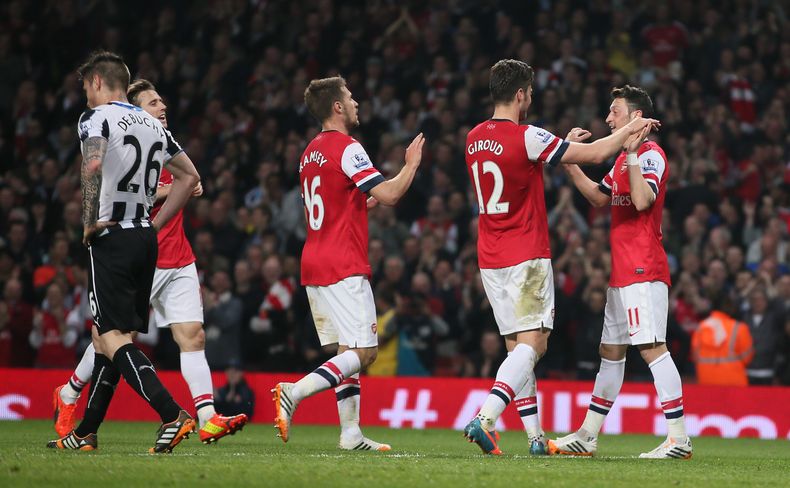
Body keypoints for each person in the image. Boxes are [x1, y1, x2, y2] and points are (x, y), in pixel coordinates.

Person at [462, 60, 658, 456]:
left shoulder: (472, 138)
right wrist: (630, 129)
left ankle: (534, 438)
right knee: (535, 342)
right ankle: (485, 417)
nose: (531, 99)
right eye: (530, 93)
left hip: (489, 256)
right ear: (520, 94)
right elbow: (596, 151)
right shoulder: (527, 136)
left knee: (516, 347)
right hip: (525, 252)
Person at [52, 79, 248, 445]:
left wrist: (186, 187)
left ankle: (207, 416)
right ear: (135, 111)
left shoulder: (167, 147)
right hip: (140, 254)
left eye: (163, 101)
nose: (163, 107)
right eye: (154, 102)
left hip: (176, 258)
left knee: (192, 336)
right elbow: (131, 192)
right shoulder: (126, 148)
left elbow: (189, 180)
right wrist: (174, 189)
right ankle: (71, 393)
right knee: (108, 338)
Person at [47, 51, 200, 453]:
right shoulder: (153, 123)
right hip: (145, 238)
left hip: (111, 236)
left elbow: (92, 165)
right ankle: (86, 433)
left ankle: (172, 413)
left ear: (97, 81)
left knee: (113, 338)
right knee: (107, 339)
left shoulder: (95, 119)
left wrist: (87, 221)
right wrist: (156, 223)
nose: (85, 98)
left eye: (85, 89)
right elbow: (189, 177)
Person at [272, 76, 425, 451]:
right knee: (364, 352)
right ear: (337, 107)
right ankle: (295, 391)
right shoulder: (348, 147)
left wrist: (361, 204)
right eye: (351, 97)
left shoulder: (310, 151)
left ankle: (351, 433)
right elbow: (388, 195)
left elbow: (333, 204)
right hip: (343, 263)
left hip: (315, 261)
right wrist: (411, 165)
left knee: (346, 351)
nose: (356, 102)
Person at [549, 85, 692, 459]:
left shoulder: (651, 155)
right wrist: (570, 161)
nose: (608, 118)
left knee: (651, 347)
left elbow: (643, 201)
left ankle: (678, 438)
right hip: (623, 271)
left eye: (614, 112)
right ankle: (587, 435)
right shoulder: (623, 160)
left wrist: (629, 152)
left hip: (644, 267)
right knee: (610, 351)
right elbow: (599, 197)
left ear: (633, 117)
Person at [692, 301, 753, 386]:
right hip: (734, 381)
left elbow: (695, 356)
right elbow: (747, 357)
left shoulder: (701, 327)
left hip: (706, 380)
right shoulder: (739, 327)